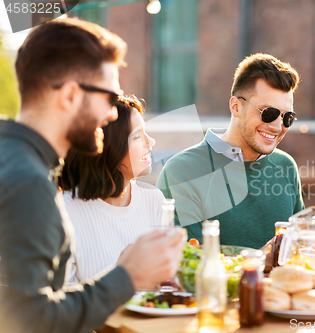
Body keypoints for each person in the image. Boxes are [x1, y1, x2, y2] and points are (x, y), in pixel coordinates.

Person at [0, 18, 185, 333]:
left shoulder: (16, 160)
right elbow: (27, 321)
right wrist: (126, 276)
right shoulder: (28, 182)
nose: (113, 113)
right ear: (70, 95)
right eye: (109, 98)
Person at [156, 53, 305, 249]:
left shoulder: (286, 166)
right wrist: (259, 261)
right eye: (269, 113)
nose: (278, 127)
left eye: (287, 117)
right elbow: (186, 262)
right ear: (236, 107)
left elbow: (299, 249)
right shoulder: (181, 171)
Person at [59, 95, 166, 284]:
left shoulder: (155, 200)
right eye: (138, 136)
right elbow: (64, 304)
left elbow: (165, 281)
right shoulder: (63, 213)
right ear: (108, 147)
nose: (150, 142)